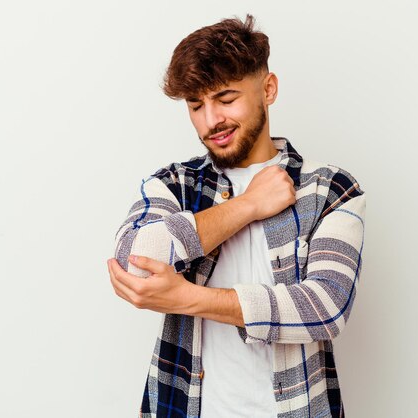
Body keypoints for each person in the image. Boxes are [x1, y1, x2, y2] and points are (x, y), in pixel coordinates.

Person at [107, 14, 366, 418]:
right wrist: (247, 205)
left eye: (226, 99)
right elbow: (135, 261)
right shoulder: (174, 185)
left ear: (268, 89)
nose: (212, 121)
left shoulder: (330, 190)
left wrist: (190, 299)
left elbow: (325, 307)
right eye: (196, 105)